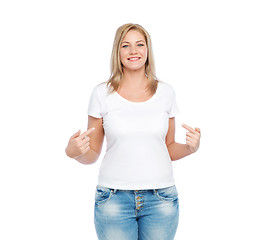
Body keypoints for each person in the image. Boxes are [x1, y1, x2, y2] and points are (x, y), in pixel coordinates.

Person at [65, 23, 201, 240]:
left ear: (148, 50)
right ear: (117, 52)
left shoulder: (166, 92)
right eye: (125, 46)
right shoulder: (102, 93)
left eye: (139, 44)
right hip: (113, 199)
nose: (133, 51)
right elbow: (91, 154)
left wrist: (191, 148)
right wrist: (74, 152)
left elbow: (168, 148)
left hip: (161, 199)